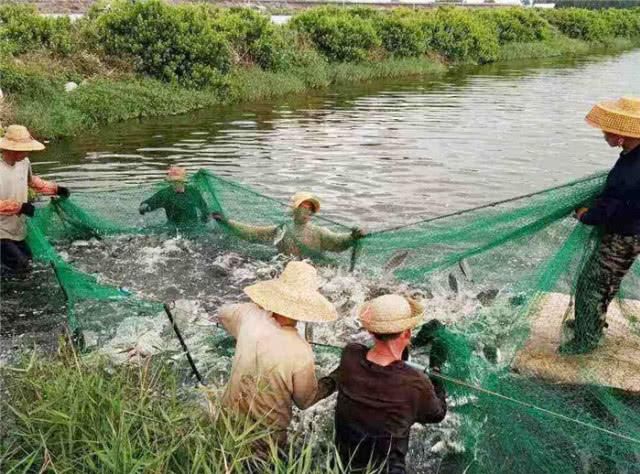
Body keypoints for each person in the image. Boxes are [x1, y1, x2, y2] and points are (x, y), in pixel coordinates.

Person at [315, 294, 447, 474]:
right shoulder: (415, 383)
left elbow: (367, 356)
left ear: (371, 331)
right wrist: (436, 371)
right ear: (407, 333)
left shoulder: (350, 355)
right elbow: (437, 414)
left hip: (341, 466)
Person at [218, 261, 337, 449]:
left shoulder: (247, 316)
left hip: (225, 426)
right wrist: (333, 381)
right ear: (308, 304)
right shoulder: (300, 350)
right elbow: (305, 401)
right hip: (266, 441)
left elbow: (222, 313)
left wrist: (257, 310)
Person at [562, 97, 640, 354]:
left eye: (609, 129)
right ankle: (592, 323)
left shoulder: (629, 172)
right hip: (631, 232)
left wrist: (585, 215)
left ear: (624, 134)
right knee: (607, 281)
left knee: (591, 284)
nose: (604, 133)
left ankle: (586, 340)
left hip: (625, 236)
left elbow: (607, 210)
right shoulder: (632, 155)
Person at [0, 125, 69, 274]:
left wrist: (56, 189)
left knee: (29, 264)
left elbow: (32, 182)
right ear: (12, 149)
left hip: (17, 230)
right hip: (1, 233)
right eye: (24, 148)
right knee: (21, 266)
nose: (27, 151)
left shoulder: (25, 163)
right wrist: (19, 207)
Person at [211, 192, 364, 258]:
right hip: (285, 268)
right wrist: (227, 222)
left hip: (311, 270)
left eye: (310, 209)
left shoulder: (319, 232)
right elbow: (251, 233)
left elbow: (338, 242)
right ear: (294, 210)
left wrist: (352, 237)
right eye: (304, 207)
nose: (307, 212)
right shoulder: (281, 230)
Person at [138, 166, 209, 231]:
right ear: (170, 182)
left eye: (178, 181)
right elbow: (149, 203)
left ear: (183, 181)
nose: (176, 184)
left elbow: (205, 211)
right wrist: (144, 207)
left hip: (194, 228)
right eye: (173, 182)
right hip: (173, 229)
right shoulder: (165, 194)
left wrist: (209, 218)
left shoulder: (193, 192)